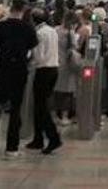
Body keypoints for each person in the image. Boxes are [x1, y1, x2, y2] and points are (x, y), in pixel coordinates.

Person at [0, 0, 37, 157]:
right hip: (20, 70)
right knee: (16, 109)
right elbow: (32, 52)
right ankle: (12, 147)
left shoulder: (1, 26)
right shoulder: (28, 28)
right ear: (24, 9)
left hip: (3, 69)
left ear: (11, 7)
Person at [26, 8, 62, 154]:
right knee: (40, 106)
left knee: (41, 107)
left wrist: (28, 63)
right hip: (53, 69)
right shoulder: (52, 30)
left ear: (33, 20)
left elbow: (38, 56)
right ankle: (38, 138)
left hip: (43, 71)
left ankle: (53, 138)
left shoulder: (39, 34)